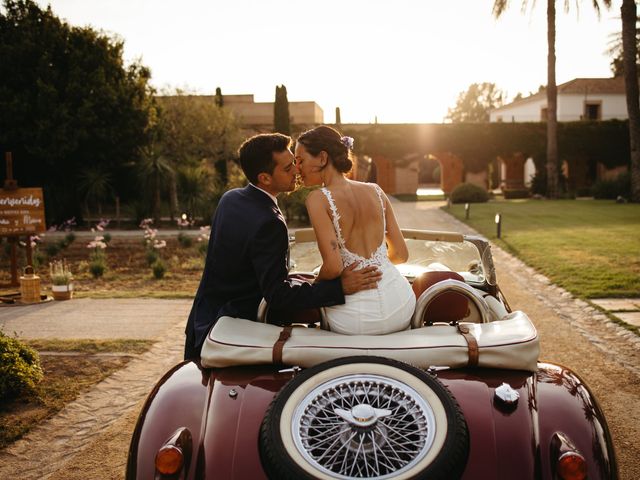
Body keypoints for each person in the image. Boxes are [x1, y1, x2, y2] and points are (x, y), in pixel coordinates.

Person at [184, 133, 382, 360]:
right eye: (288, 168)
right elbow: (277, 295)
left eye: (295, 162)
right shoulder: (269, 222)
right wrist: (339, 288)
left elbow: (244, 269)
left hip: (201, 321)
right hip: (232, 334)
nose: (297, 170)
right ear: (265, 178)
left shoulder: (231, 199)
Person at [295, 126, 416, 335]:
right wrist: (375, 265)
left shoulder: (317, 199)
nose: (297, 168)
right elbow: (401, 255)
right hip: (401, 305)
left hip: (354, 318)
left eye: (301, 160)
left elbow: (333, 267)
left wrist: (316, 285)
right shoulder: (376, 191)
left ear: (322, 158)